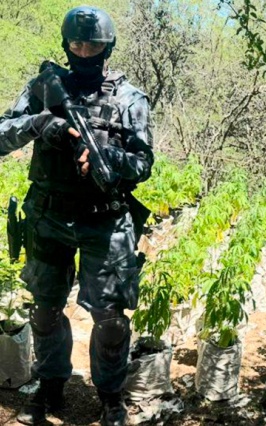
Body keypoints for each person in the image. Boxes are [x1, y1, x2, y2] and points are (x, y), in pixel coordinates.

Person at [0, 6, 153, 426]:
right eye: (77, 43)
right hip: (48, 217)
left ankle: (109, 396)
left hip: (106, 221)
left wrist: (111, 158)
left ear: (108, 47)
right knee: (45, 310)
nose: (85, 50)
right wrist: (39, 124)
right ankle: (50, 387)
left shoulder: (129, 98)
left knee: (109, 321)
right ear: (66, 45)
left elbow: (144, 163)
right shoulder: (41, 88)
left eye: (94, 44)